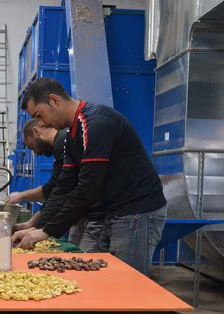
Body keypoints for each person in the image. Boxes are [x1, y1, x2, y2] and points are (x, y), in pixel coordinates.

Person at [12, 78, 167, 276]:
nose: (41, 123)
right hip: (113, 212)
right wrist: (37, 226)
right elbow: (64, 187)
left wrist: (46, 231)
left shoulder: (95, 124)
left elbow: (87, 188)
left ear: (54, 100)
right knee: (101, 279)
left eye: (39, 115)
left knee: (126, 283)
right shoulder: (70, 133)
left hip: (136, 211)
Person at [5, 119, 67, 231]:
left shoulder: (63, 141)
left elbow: (59, 192)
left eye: (32, 147)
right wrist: (31, 224)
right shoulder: (60, 145)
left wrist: (40, 230)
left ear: (35, 131)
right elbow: (54, 191)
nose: (36, 153)